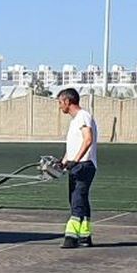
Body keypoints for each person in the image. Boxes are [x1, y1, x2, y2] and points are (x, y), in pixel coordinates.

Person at [56, 87, 98, 248]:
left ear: (68, 101)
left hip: (84, 165)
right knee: (80, 199)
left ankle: (71, 236)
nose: (60, 106)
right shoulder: (75, 121)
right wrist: (64, 161)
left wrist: (76, 160)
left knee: (77, 199)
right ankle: (85, 236)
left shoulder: (83, 117)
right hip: (77, 165)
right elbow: (73, 147)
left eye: (60, 102)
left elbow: (88, 139)